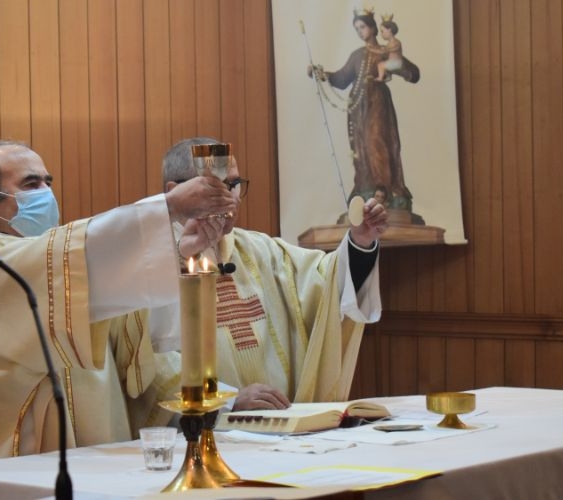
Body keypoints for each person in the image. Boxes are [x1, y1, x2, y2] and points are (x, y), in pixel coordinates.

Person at [0, 140, 236, 464]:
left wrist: (179, 252)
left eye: (48, 182)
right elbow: (70, 256)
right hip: (17, 460)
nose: (47, 193)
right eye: (31, 184)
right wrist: (168, 207)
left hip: (91, 457)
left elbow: (122, 308)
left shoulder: (46, 256)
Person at [127, 137, 388, 429]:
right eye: (216, 187)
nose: (232, 199)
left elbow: (324, 282)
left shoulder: (259, 251)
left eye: (235, 185)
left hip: (280, 429)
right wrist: (227, 400)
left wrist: (360, 244)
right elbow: (145, 358)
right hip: (200, 434)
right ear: (174, 193)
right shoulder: (145, 269)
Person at [308, 9, 419, 216]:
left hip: (378, 104)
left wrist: (400, 68)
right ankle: (366, 187)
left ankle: (384, 189)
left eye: (363, 27)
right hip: (358, 109)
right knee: (361, 148)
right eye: (356, 28)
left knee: (377, 141)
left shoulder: (386, 51)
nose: (360, 32)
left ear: (374, 27)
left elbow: (412, 73)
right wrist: (320, 73)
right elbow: (341, 79)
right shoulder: (357, 55)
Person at [375, 16, 402, 82]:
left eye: (382, 31)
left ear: (389, 30)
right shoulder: (391, 43)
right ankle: (388, 76)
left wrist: (377, 50)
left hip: (396, 63)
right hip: (392, 62)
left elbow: (387, 51)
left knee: (380, 65)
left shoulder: (395, 42)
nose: (381, 34)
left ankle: (380, 78)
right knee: (385, 62)